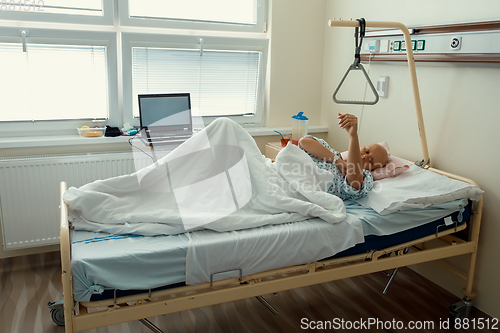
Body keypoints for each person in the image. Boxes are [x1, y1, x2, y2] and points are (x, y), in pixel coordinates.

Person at [299, 113, 388, 201]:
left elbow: (354, 178)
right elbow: (304, 142)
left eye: (370, 161)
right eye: (367, 151)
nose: (365, 156)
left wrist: (353, 136)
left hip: (302, 191)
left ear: (373, 170)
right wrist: (338, 161)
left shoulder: (363, 178)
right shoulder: (331, 153)